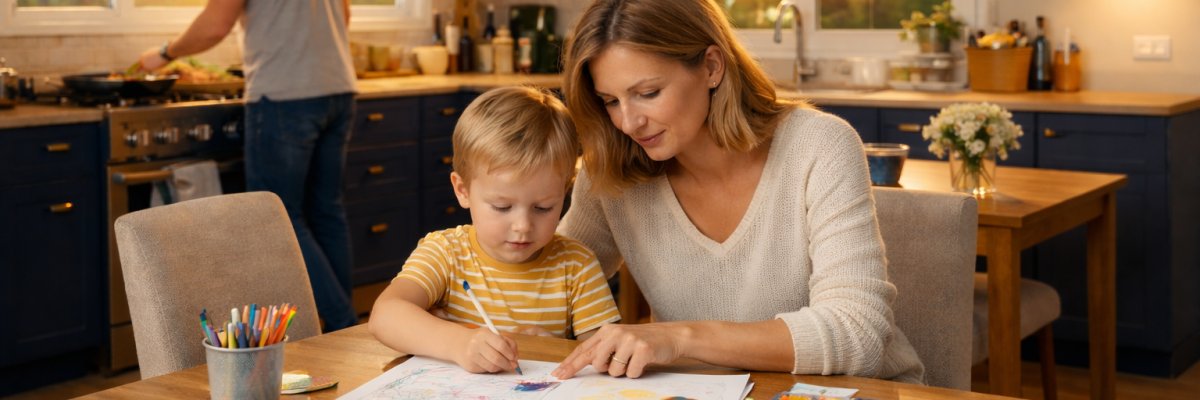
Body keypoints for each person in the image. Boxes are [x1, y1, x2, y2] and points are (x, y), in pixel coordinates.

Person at [550, 0, 925, 384]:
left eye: (648, 92)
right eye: (611, 101)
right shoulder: (611, 171)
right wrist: (508, 331)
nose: (629, 122)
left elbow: (858, 333)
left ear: (712, 67)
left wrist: (678, 338)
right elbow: (548, 284)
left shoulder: (818, 146)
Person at [138, 0, 359, 331]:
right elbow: (344, 15)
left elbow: (215, 26)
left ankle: (342, 321)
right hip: (338, 88)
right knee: (327, 211)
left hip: (284, 96)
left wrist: (164, 53)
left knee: (279, 217)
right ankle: (348, 332)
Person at [368, 86, 621, 373]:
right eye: (502, 207)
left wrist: (554, 349)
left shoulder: (576, 265)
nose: (523, 226)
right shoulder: (446, 253)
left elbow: (605, 354)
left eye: (543, 208)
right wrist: (458, 343)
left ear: (564, 192)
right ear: (463, 190)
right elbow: (385, 316)